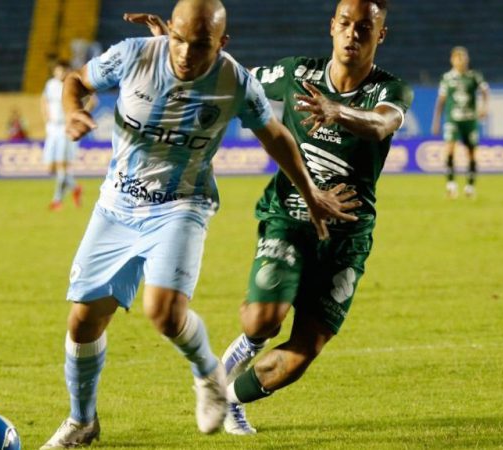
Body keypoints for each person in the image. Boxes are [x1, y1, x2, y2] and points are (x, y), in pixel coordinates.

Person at [39, 1, 361, 448]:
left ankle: (209, 374)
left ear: (222, 43)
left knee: (164, 313)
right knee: (82, 322)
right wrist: (75, 110)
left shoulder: (232, 81)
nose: (187, 53)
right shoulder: (134, 54)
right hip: (116, 206)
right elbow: (76, 81)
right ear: (168, 31)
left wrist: (311, 193)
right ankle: (82, 421)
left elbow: (276, 136)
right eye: (179, 39)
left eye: (201, 44)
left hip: (181, 205)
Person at [128, 0, 413, 436]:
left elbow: (381, 124)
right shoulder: (298, 74)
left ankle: (231, 396)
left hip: (348, 236)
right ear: (331, 27)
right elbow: (233, 78)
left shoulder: (390, 89)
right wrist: (173, 48)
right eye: (345, 24)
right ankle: (237, 354)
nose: (353, 35)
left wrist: (340, 112)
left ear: (381, 35)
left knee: (303, 353)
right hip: (290, 216)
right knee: (261, 321)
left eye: (364, 28)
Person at [431, 46, 489, 199]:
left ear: (467, 59)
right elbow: (441, 100)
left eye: (462, 57)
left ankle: (470, 187)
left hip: (470, 120)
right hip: (453, 120)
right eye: (457, 58)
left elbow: (485, 91)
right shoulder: (447, 78)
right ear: (452, 60)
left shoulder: (474, 76)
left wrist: (484, 108)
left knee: (471, 154)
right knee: (449, 150)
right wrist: (436, 121)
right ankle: (451, 186)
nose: (460, 61)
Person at [41, 60, 95, 210]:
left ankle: (57, 200)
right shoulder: (50, 85)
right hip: (52, 128)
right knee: (49, 168)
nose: (61, 73)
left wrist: (80, 115)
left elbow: (93, 100)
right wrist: (46, 117)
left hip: (67, 127)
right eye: (58, 71)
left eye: (63, 70)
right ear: (54, 72)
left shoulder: (73, 84)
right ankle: (75, 188)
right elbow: (44, 100)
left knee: (61, 165)